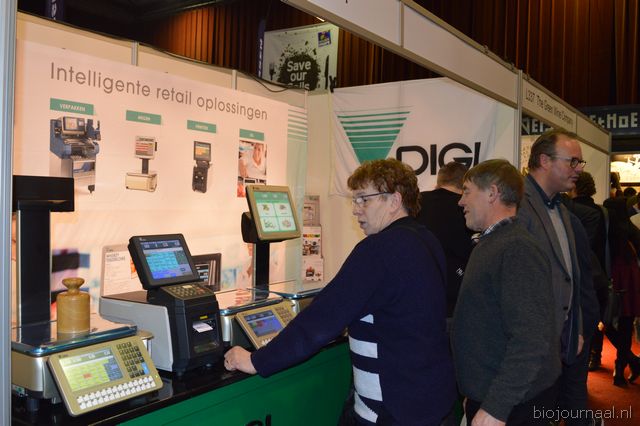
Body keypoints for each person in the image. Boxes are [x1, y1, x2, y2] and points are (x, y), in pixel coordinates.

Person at [225, 158, 456, 425]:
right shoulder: (425, 239)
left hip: (393, 409)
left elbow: (321, 320)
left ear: (394, 201)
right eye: (354, 201)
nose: (356, 210)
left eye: (364, 200)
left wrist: (257, 361)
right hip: (432, 398)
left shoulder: (379, 250)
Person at [452, 159, 559, 425]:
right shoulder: (494, 243)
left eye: (467, 191)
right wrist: (476, 393)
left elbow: (531, 339)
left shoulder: (516, 248)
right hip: (493, 396)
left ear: (492, 193)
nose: (461, 202)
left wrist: (496, 407)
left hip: (513, 406)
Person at [517, 129, 599, 426]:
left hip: (561, 343)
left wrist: (576, 327)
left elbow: (571, 277)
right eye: (572, 161)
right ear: (544, 161)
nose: (579, 169)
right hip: (529, 352)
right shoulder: (517, 206)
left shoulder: (561, 209)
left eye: (580, 163)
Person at [416, 161, 473, 320]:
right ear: (464, 185)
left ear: (439, 181)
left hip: (417, 298)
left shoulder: (415, 204)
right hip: (454, 303)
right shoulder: (466, 208)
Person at [566, 172, 609, 371]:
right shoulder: (600, 210)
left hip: (581, 272)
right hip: (598, 271)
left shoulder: (570, 210)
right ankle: (596, 355)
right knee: (596, 316)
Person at [601, 197, 640, 387]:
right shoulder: (629, 228)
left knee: (605, 322)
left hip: (613, 276)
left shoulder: (608, 228)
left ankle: (629, 363)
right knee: (625, 326)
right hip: (630, 278)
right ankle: (624, 366)